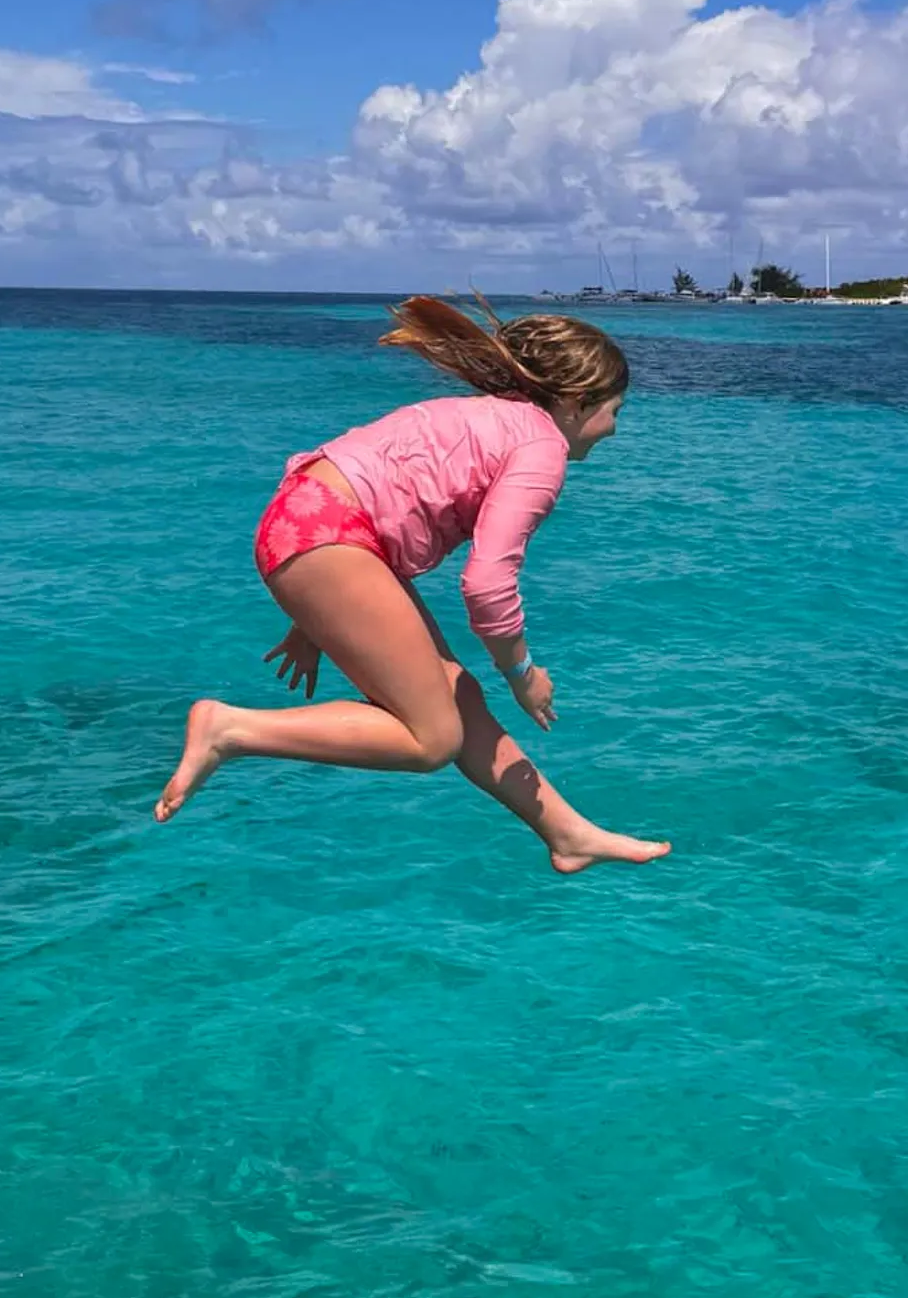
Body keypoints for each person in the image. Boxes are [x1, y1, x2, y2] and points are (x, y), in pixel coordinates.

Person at [155, 296, 670, 873]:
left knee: (456, 693)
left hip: (311, 525)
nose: (614, 429)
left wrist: (315, 618)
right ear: (577, 404)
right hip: (328, 539)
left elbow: (371, 484)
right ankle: (231, 729)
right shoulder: (541, 446)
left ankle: (567, 834)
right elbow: (488, 583)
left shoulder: (490, 415)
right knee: (432, 739)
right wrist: (523, 674)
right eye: (614, 410)